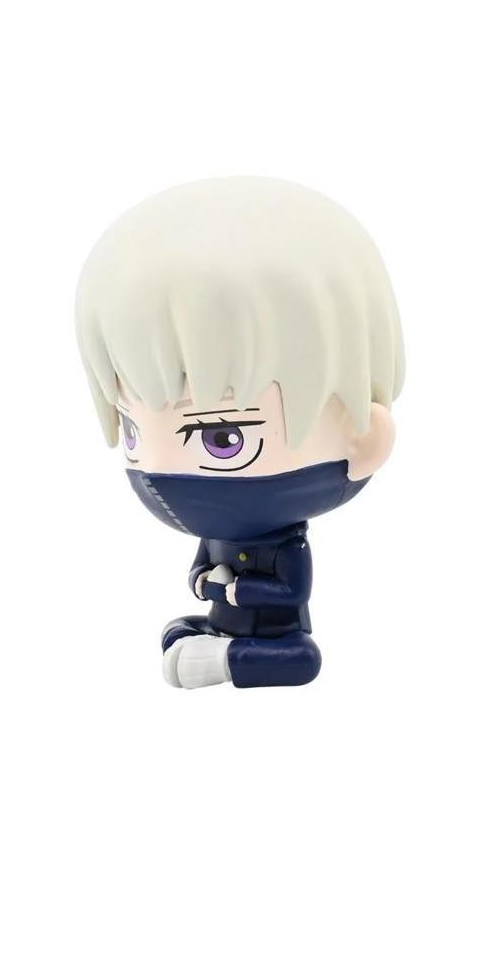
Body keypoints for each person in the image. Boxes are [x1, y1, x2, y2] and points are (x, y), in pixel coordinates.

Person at [75, 177, 404, 689]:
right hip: (226, 615)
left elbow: (288, 592)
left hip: (275, 629)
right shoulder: (213, 535)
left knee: (296, 657)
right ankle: (224, 646)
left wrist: (234, 592)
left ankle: (233, 661)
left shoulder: (287, 549)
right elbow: (199, 569)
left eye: (224, 438)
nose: (156, 471)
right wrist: (203, 582)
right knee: (178, 630)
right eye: (133, 432)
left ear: (365, 439)